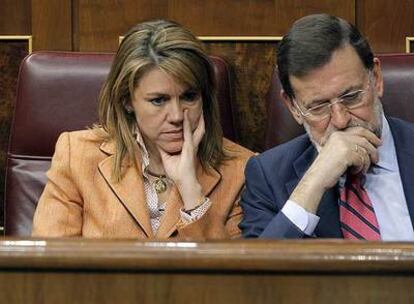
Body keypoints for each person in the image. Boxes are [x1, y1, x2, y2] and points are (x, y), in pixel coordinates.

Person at [32, 20, 253, 239]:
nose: (176, 116)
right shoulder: (77, 156)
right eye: (159, 100)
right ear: (127, 100)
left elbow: (229, 272)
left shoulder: (242, 170)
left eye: (189, 96)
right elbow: (48, 265)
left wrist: (192, 192)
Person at [240, 14, 414, 240]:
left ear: (376, 79)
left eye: (351, 97)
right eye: (319, 107)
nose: (341, 121)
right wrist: (313, 183)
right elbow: (258, 274)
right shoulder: (268, 176)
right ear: (293, 107)